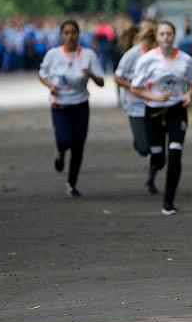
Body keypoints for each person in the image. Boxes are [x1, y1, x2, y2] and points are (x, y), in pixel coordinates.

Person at [131, 21, 192, 215]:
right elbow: (135, 88)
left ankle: (169, 201)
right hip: (154, 111)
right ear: (157, 37)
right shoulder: (147, 60)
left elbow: (190, 84)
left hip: (177, 110)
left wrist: (188, 94)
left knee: (175, 154)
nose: (166, 37)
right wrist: (154, 97)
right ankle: (154, 159)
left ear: (174, 36)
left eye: (169, 34)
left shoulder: (185, 59)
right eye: (162, 34)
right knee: (159, 160)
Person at [38, 20, 105, 197]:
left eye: (73, 32)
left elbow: (101, 82)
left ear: (78, 34)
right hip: (60, 105)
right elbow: (42, 75)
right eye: (66, 33)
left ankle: (71, 183)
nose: (70, 36)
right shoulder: (53, 55)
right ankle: (60, 152)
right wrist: (50, 86)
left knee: (78, 146)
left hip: (80, 105)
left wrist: (91, 75)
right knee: (64, 140)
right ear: (61, 35)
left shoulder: (89, 55)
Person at [114, 20, 158, 160]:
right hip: (136, 105)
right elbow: (117, 77)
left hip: (156, 104)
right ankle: (140, 143)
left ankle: (154, 164)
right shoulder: (133, 54)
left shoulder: (161, 52)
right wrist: (133, 87)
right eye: (145, 31)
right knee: (144, 147)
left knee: (156, 143)